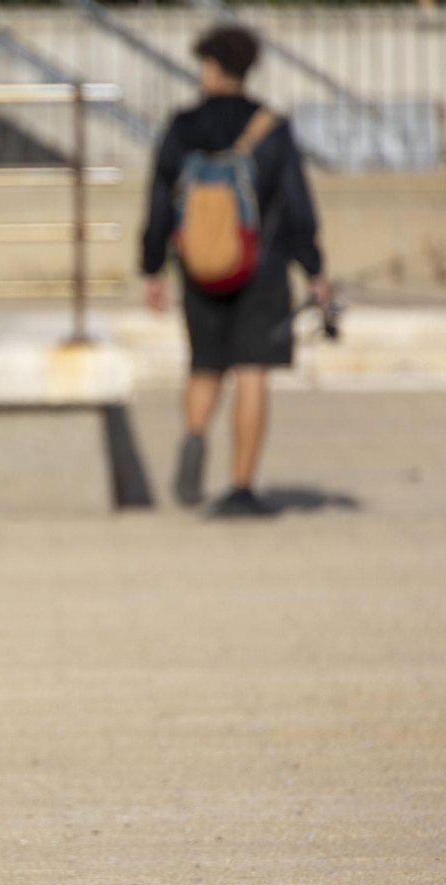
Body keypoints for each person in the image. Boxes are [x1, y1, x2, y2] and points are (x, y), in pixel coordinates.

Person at [141, 24, 329, 516]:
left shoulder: (182, 126)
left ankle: (194, 434)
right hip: (260, 267)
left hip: (200, 266)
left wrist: (153, 267)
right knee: (251, 372)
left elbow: (160, 199)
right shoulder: (270, 128)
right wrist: (313, 268)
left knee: (204, 365)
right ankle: (241, 487)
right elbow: (296, 203)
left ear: (210, 66)